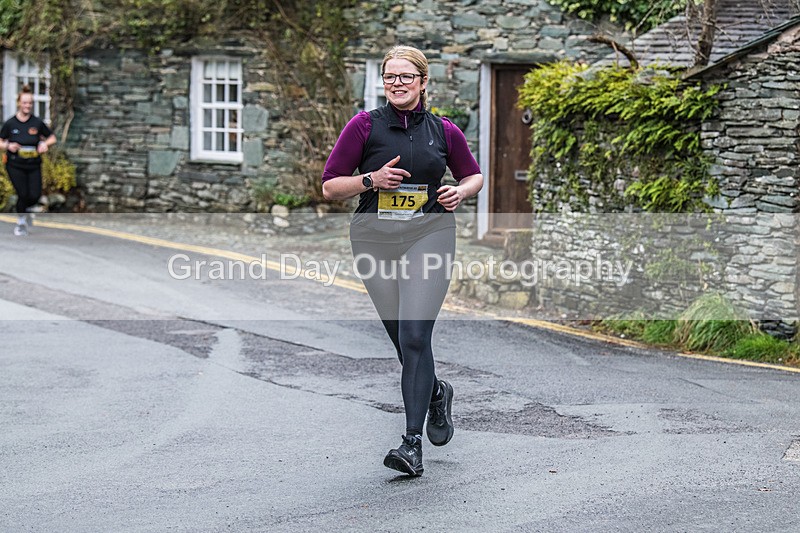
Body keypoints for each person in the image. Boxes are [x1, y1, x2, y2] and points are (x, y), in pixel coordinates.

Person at [322, 45, 483, 476]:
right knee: (400, 339)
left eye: (405, 77)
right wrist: (370, 179)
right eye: (389, 77)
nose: (396, 83)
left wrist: (461, 191)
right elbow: (330, 187)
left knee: (415, 335)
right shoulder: (363, 127)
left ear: (423, 82)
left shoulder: (443, 131)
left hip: (429, 233)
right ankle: (435, 393)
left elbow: (473, 175)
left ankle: (411, 445)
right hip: (374, 239)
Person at [0, 85, 57, 236]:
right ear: (19, 103)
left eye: (30, 103)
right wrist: (8, 145)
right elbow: (0, 141)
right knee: (23, 193)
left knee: (35, 195)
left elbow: (52, 137)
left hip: (33, 164)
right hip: (15, 164)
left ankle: (26, 210)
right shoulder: (10, 124)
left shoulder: (37, 123)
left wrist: (45, 144)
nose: (28, 106)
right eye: (25, 103)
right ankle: (21, 223)